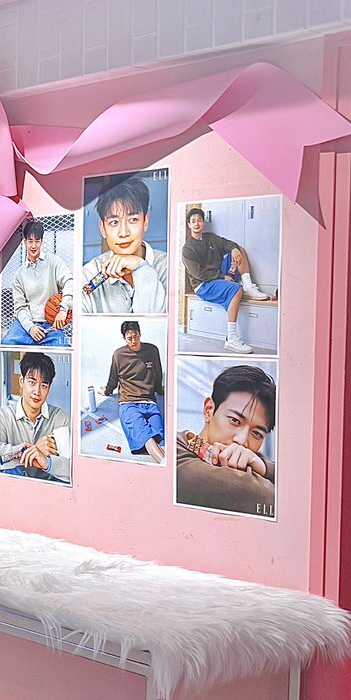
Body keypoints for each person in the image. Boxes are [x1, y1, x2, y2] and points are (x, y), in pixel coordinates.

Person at [176, 365, 276, 516]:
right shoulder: (176, 454)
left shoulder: (255, 462)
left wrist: (263, 467)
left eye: (256, 433)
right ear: (209, 410)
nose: (241, 441)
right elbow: (275, 497)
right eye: (235, 420)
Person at [181, 207, 270, 354]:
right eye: (193, 221)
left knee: (238, 250)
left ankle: (248, 285)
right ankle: (232, 338)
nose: (196, 223)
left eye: (199, 220)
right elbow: (199, 274)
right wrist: (223, 277)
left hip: (218, 275)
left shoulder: (211, 238)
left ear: (203, 223)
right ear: (189, 224)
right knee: (236, 289)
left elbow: (228, 244)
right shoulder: (188, 249)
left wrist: (234, 249)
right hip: (204, 285)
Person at [79, 177, 168, 314]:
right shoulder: (88, 274)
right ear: (103, 228)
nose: (124, 232)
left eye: (133, 219)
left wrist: (140, 267)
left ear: (145, 221)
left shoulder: (168, 267)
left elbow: (159, 323)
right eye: (114, 222)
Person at [0, 352, 70, 483]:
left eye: (43, 386)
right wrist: (31, 450)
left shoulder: (62, 419)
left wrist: (47, 462)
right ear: (21, 381)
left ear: (49, 388)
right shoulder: (3, 416)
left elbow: (73, 467)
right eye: (32, 382)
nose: (37, 392)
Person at [1, 220, 73, 346]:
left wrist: (63, 309)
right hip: (26, 325)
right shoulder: (19, 274)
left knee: (62, 348)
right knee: (6, 343)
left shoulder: (54, 262)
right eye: (30, 241)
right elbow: (20, 307)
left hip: (50, 323)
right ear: (25, 242)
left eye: (37, 241)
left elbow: (69, 283)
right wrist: (31, 328)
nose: (34, 245)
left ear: (42, 242)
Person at [102, 321, 165, 462]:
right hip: (129, 404)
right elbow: (113, 379)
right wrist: (106, 391)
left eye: (136, 336)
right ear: (124, 338)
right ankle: (167, 467)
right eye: (129, 338)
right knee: (147, 439)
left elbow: (158, 373)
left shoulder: (152, 350)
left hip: (150, 403)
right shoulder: (118, 355)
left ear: (140, 334)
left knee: (160, 440)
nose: (134, 341)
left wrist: (159, 390)